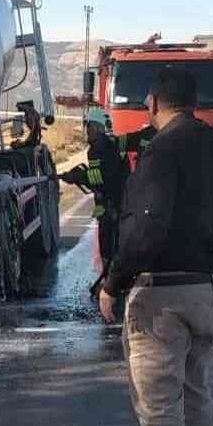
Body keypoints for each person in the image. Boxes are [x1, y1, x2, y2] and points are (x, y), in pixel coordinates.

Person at [99, 68, 213, 426]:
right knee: (195, 395)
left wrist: (113, 283)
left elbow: (146, 227)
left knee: (159, 408)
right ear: (193, 104)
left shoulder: (160, 150)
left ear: (155, 102)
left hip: (164, 301)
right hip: (211, 293)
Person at [59, 106, 127, 301]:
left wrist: (78, 176)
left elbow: (101, 177)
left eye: (89, 127)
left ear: (96, 128)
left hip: (111, 205)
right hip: (117, 203)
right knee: (115, 245)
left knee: (109, 246)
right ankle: (114, 282)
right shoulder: (112, 144)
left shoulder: (99, 149)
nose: (87, 131)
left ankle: (110, 285)